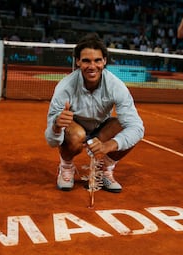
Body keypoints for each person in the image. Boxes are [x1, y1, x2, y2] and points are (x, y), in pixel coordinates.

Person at [45, 33, 145, 192]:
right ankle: (66, 167)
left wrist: (109, 145)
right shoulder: (64, 87)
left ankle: (104, 168)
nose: (92, 66)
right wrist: (57, 127)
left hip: (101, 131)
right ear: (77, 61)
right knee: (76, 134)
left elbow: (137, 128)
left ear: (104, 61)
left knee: (125, 126)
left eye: (97, 60)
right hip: (75, 131)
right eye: (86, 61)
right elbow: (51, 141)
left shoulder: (116, 86)